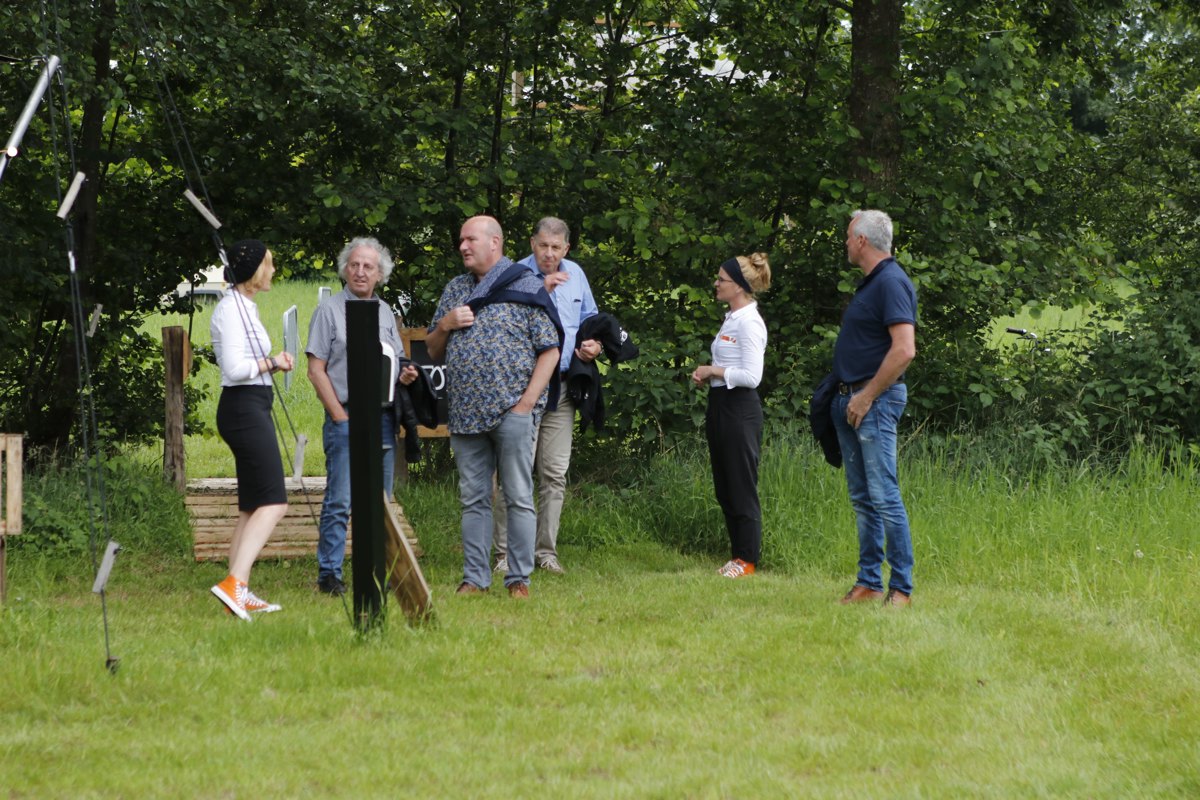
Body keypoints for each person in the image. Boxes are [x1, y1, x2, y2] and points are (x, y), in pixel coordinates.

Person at [427, 215, 561, 599]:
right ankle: (474, 578)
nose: (463, 246)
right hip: (466, 413)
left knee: (517, 496)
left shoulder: (526, 284)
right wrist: (446, 324)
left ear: (494, 243)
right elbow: (433, 349)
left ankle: (519, 579)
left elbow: (550, 350)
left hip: (512, 412)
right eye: (461, 240)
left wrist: (526, 404)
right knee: (473, 498)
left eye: (470, 239)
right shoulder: (455, 289)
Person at [306, 237, 418, 596]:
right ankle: (330, 574)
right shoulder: (328, 311)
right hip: (346, 415)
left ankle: (375, 571)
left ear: (380, 274)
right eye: (354, 265)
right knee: (340, 500)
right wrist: (339, 416)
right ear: (345, 270)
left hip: (382, 417)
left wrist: (405, 375)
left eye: (368, 266)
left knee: (380, 501)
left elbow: (394, 362)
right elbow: (315, 370)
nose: (360, 271)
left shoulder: (385, 312)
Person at [492, 216, 600, 576]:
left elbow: (590, 320)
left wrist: (593, 344)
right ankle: (505, 554)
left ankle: (546, 552)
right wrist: (542, 291)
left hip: (564, 388)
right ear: (532, 243)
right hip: (525, 388)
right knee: (515, 472)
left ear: (566, 248)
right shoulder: (514, 274)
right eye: (543, 246)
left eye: (556, 247)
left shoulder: (576, 274)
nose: (549, 254)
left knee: (554, 473)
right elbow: (501, 322)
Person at [832, 209, 917, 608]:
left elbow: (905, 350)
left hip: (875, 402)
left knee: (884, 495)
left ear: (862, 241)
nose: (846, 243)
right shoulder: (872, 283)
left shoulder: (891, 282)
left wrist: (866, 396)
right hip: (854, 400)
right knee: (864, 498)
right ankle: (868, 582)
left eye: (849, 236)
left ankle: (901, 588)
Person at [209, 239, 295, 620]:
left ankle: (238, 592)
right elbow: (234, 369)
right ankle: (235, 584)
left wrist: (272, 362)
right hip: (242, 409)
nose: (273, 270)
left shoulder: (245, 306)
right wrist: (273, 361)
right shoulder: (231, 310)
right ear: (255, 270)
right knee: (274, 502)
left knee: (251, 507)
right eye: (269, 264)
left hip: (253, 405)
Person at [691, 253, 772, 579]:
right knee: (725, 486)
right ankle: (736, 555)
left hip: (740, 410)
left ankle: (747, 560)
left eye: (721, 279)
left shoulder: (750, 322)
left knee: (740, 485)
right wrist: (710, 376)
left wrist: (713, 370)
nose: (716, 283)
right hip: (721, 405)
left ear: (738, 286)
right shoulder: (732, 318)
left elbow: (752, 376)